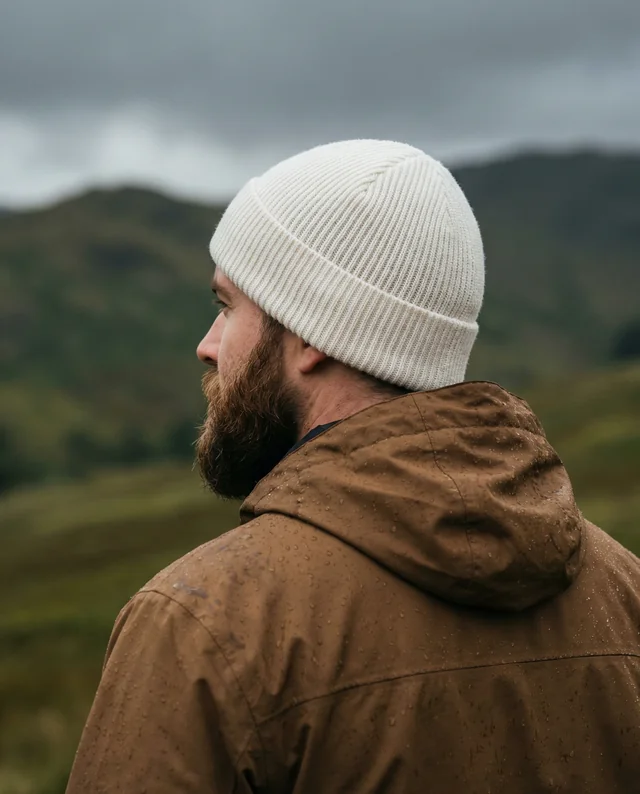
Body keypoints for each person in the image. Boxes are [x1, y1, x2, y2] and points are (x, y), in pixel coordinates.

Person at [66, 140, 640, 793]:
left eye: (228, 307)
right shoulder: (625, 592)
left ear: (312, 330)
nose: (207, 345)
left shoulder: (206, 625)